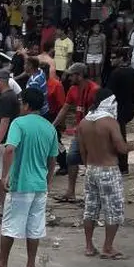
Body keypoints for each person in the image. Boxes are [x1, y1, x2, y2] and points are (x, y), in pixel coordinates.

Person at [0, 88, 58, 267]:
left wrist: (5, 176)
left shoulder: (19, 123)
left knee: (10, 224)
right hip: (39, 185)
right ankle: (31, 266)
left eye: (22, 103)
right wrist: (47, 180)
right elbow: (52, 158)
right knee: (35, 226)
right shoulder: (50, 127)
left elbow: (10, 149)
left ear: (27, 105)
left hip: (21, 183)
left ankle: (2, 264)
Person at [77, 90, 132, 260]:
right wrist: (133, 146)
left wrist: (88, 165)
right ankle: (107, 247)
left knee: (90, 209)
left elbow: (82, 151)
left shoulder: (84, 122)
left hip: (91, 169)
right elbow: (121, 148)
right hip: (108, 170)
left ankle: (88, 246)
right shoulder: (109, 122)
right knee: (113, 210)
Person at [52, 63, 99, 203]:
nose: (69, 77)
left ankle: (92, 195)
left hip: (93, 132)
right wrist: (52, 125)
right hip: (80, 132)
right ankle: (70, 192)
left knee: (91, 164)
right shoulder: (72, 89)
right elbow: (65, 109)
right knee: (71, 158)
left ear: (79, 75)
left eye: (72, 75)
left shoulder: (94, 90)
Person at [105, 51, 134, 174]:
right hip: (130, 108)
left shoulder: (116, 74)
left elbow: (109, 93)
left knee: (118, 137)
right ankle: (121, 165)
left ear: (121, 58)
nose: (111, 60)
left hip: (117, 109)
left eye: (114, 57)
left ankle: (122, 166)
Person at [0, 70, 21, 198]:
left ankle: (5, 205)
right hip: (8, 139)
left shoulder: (6, 98)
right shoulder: (11, 96)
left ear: (0, 81)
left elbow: (5, 120)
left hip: (3, 141)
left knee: (0, 174)